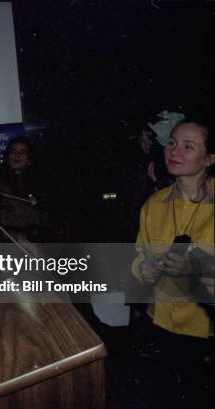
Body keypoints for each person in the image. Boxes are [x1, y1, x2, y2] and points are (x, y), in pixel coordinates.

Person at [132, 120, 214, 408]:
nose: (174, 151)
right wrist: (144, 269)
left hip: (206, 330)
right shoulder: (153, 204)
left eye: (188, 146)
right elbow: (139, 256)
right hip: (163, 326)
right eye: (172, 143)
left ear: (209, 159)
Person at [0, 136, 47, 241]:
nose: (17, 155)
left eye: (23, 152)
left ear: (29, 159)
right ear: (7, 157)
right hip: (9, 243)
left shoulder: (40, 183)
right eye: (13, 151)